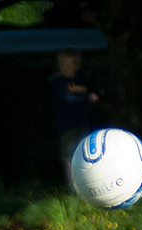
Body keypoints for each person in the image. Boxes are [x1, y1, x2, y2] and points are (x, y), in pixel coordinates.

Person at [49, 48, 99, 188]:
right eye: (62, 64)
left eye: (69, 64)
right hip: (66, 126)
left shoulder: (82, 81)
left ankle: (87, 185)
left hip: (83, 124)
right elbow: (66, 99)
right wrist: (86, 98)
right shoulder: (57, 82)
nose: (65, 68)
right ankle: (72, 187)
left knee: (85, 155)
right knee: (68, 157)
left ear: (76, 65)